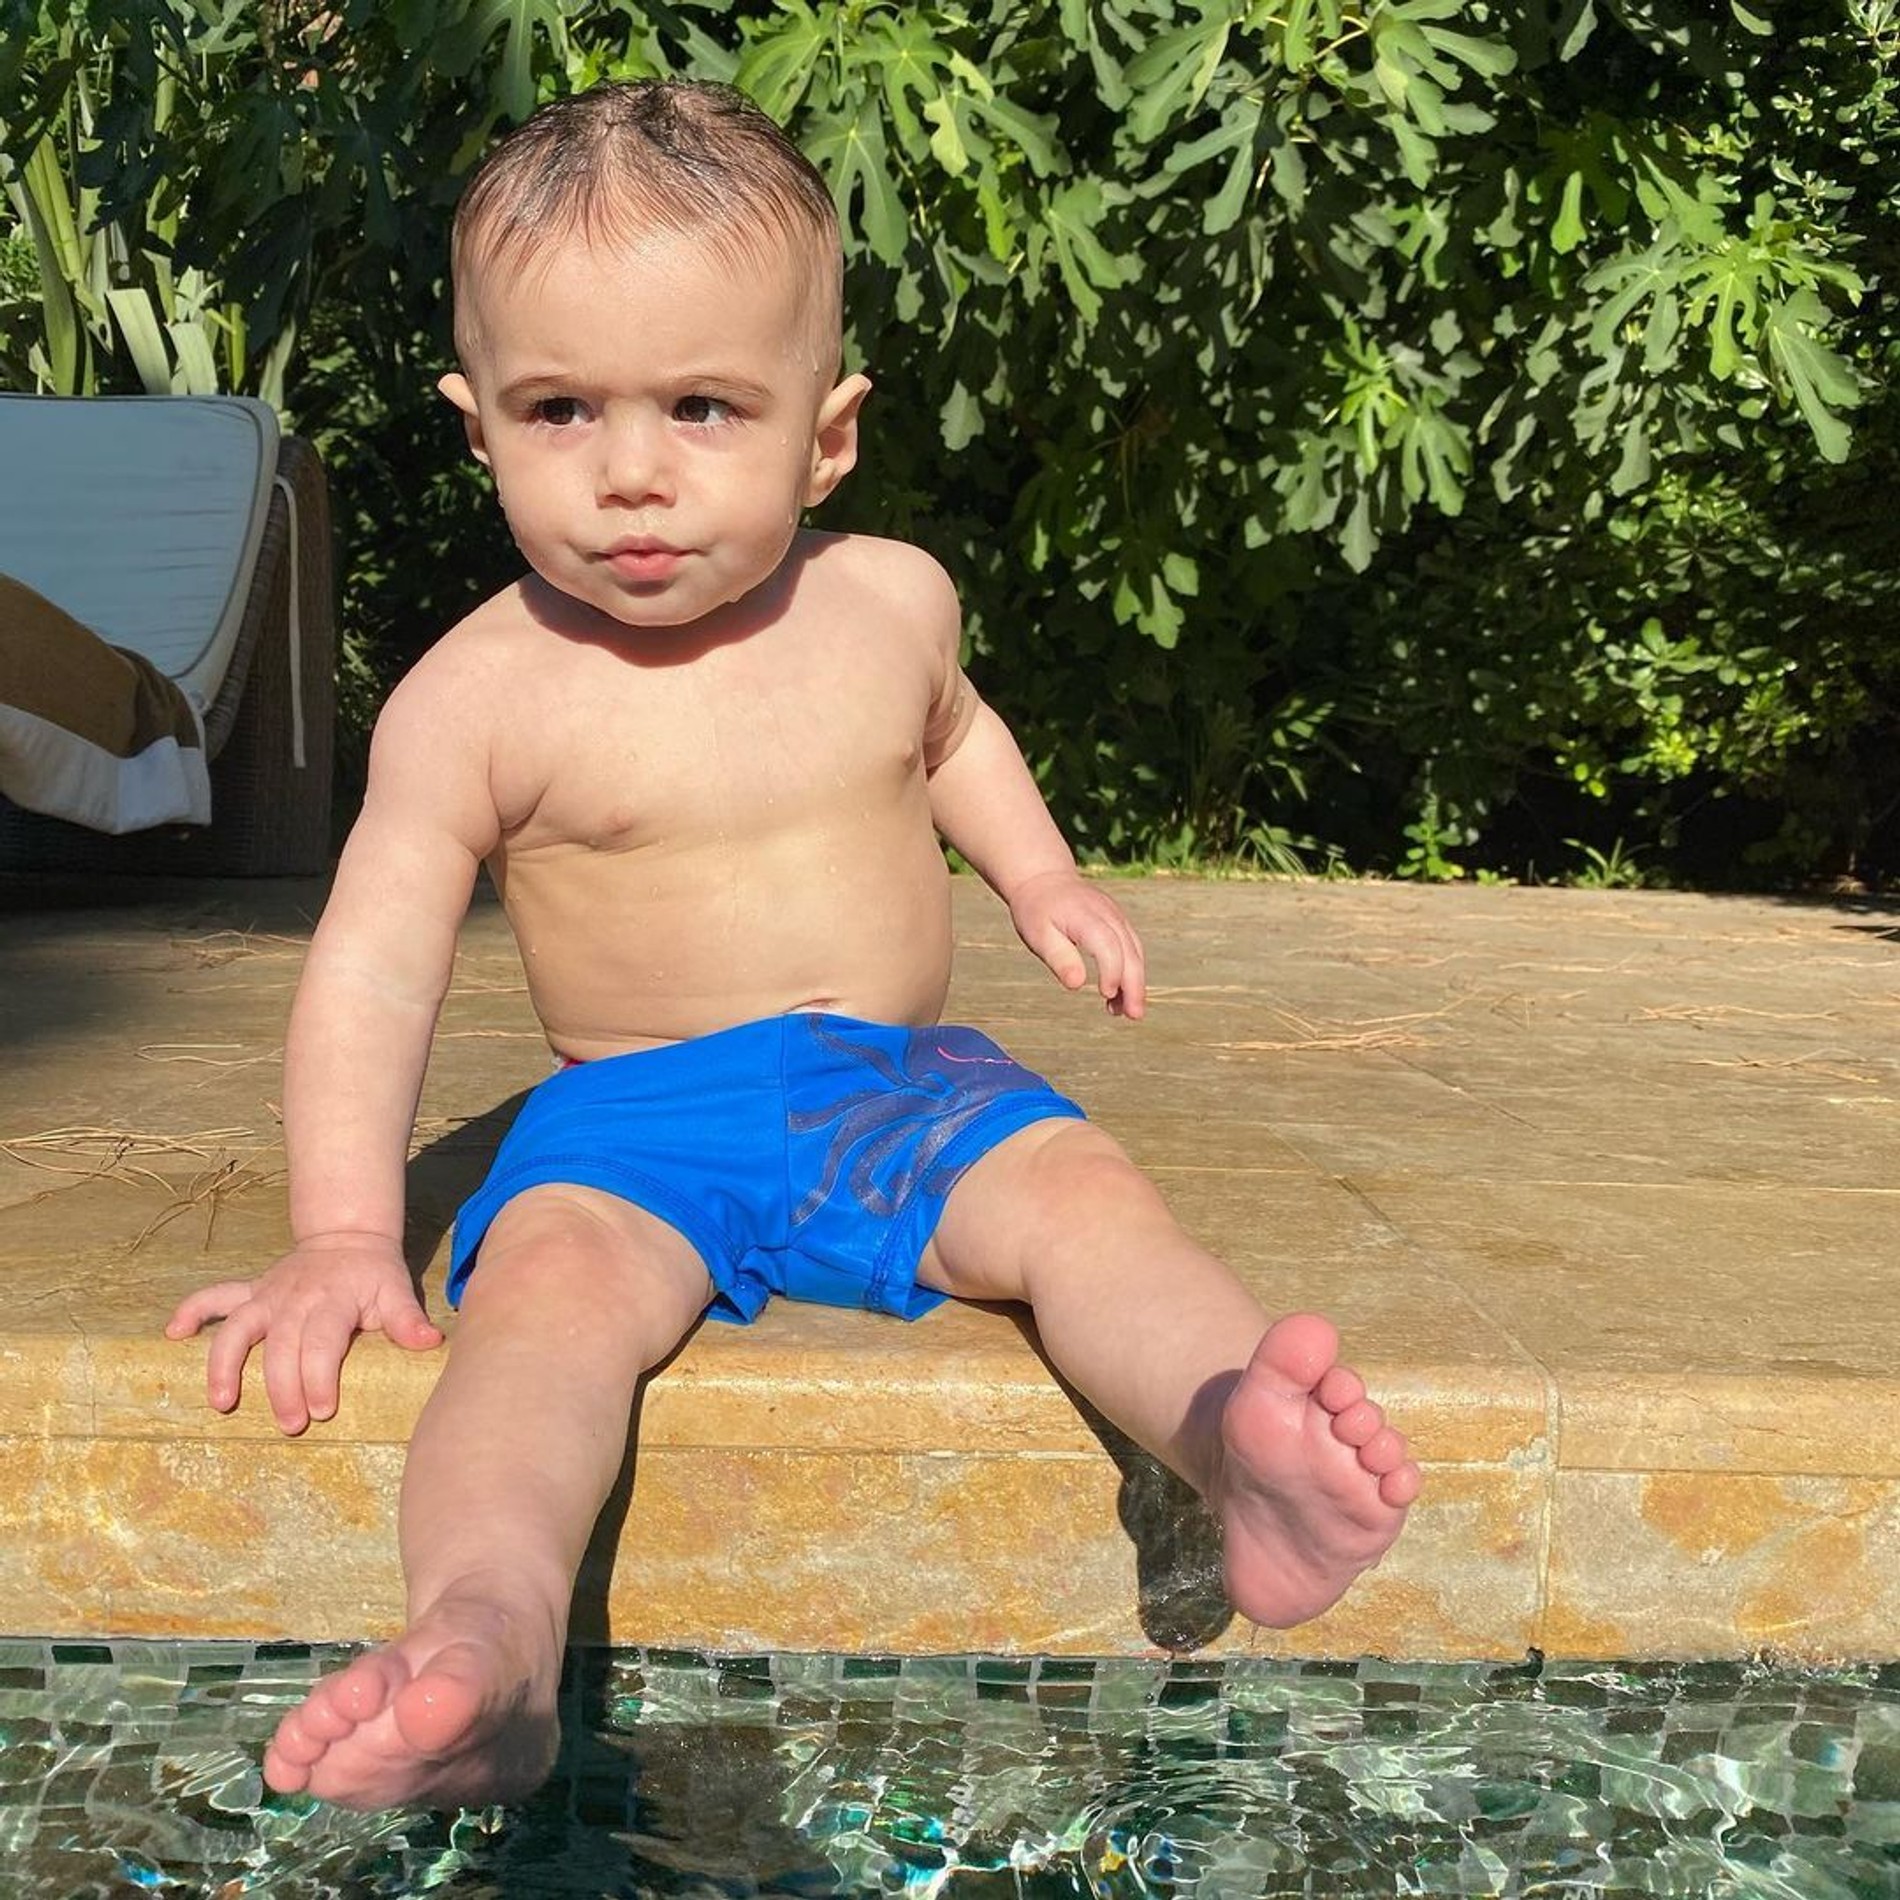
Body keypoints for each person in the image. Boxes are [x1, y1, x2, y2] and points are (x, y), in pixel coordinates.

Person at [165, 78, 1420, 1814]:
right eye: (558, 408)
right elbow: (377, 969)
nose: (630, 472)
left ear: (824, 437)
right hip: (634, 1123)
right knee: (539, 1317)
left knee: (1087, 1206)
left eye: (702, 405)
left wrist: (1041, 876)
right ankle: (493, 1640)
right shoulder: (476, 697)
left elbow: (956, 734)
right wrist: (343, 1234)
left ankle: (1227, 1444)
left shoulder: (888, 599)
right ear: (478, 429)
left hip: (897, 1091)